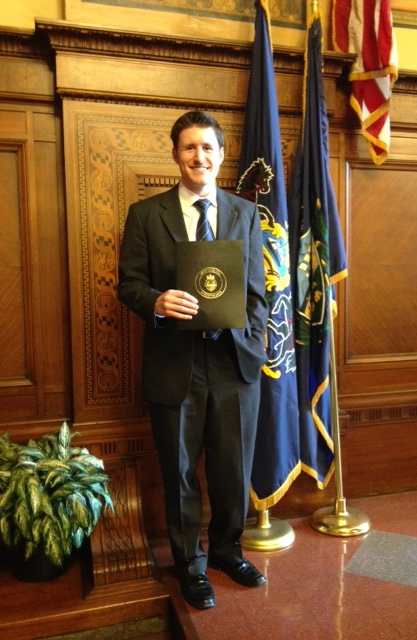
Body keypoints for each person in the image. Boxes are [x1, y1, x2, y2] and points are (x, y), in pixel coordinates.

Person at [117, 110, 269, 610]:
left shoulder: (246, 214)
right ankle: (190, 565)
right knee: (180, 470)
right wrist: (157, 302)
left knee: (232, 469)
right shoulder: (146, 214)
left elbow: (257, 293)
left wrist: (252, 342)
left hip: (233, 363)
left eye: (207, 147)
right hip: (174, 361)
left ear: (221, 155)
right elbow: (129, 285)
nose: (198, 156)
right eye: (188, 147)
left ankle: (227, 551)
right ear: (175, 154)